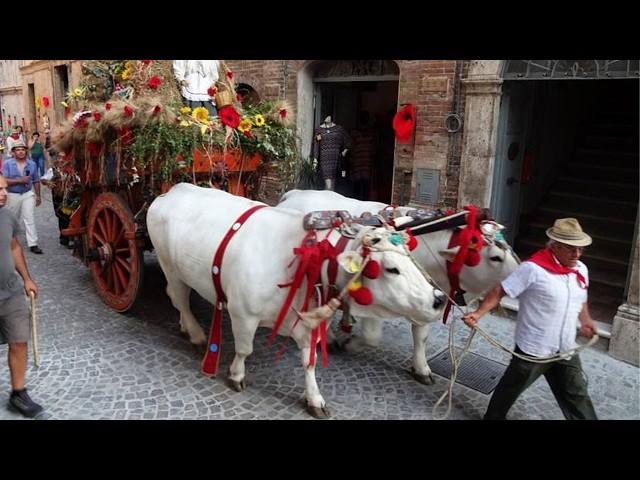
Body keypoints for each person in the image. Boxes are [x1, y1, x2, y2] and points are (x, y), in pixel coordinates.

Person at [462, 217, 598, 420]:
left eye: (580, 249)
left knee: (577, 394)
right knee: (510, 390)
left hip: (565, 346)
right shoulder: (533, 269)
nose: (576, 254)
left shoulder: (580, 269)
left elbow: (581, 299)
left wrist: (586, 321)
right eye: (570, 249)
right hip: (534, 348)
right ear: (555, 246)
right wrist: (478, 313)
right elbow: (501, 291)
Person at [0, 174, 43, 417]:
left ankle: (18, 394)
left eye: (5, 188)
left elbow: (14, 246)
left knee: (18, 341)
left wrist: (27, 278)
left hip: (11, 291)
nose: (4, 193)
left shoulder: (6, 216)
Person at [1, 142, 43, 254]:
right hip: (12, 195)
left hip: (27, 194)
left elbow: (36, 180)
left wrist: (38, 195)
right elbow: (4, 180)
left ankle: (33, 244)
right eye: (18, 150)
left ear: (26, 151)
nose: (20, 152)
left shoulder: (32, 164)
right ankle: (8, 242)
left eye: (23, 149)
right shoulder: (7, 164)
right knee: (12, 219)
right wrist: (20, 180)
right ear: (13, 152)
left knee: (29, 218)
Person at [312, 116, 351, 191]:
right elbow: (316, 145)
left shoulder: (339, 129)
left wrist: (344, 152)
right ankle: (325, 201)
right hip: (324, 161)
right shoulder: (319, 130)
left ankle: (327, 201)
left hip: (335, 160)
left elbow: (348, 141)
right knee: (328, 186)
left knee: (332, 186)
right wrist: (315, 159)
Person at [349, 111, 377, 200]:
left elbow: (351, 148)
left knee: (359, 188)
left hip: (359, 163)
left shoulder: (355, 133)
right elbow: (374, 150)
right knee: (363, 187)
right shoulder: (371, 134)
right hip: (364, 163)